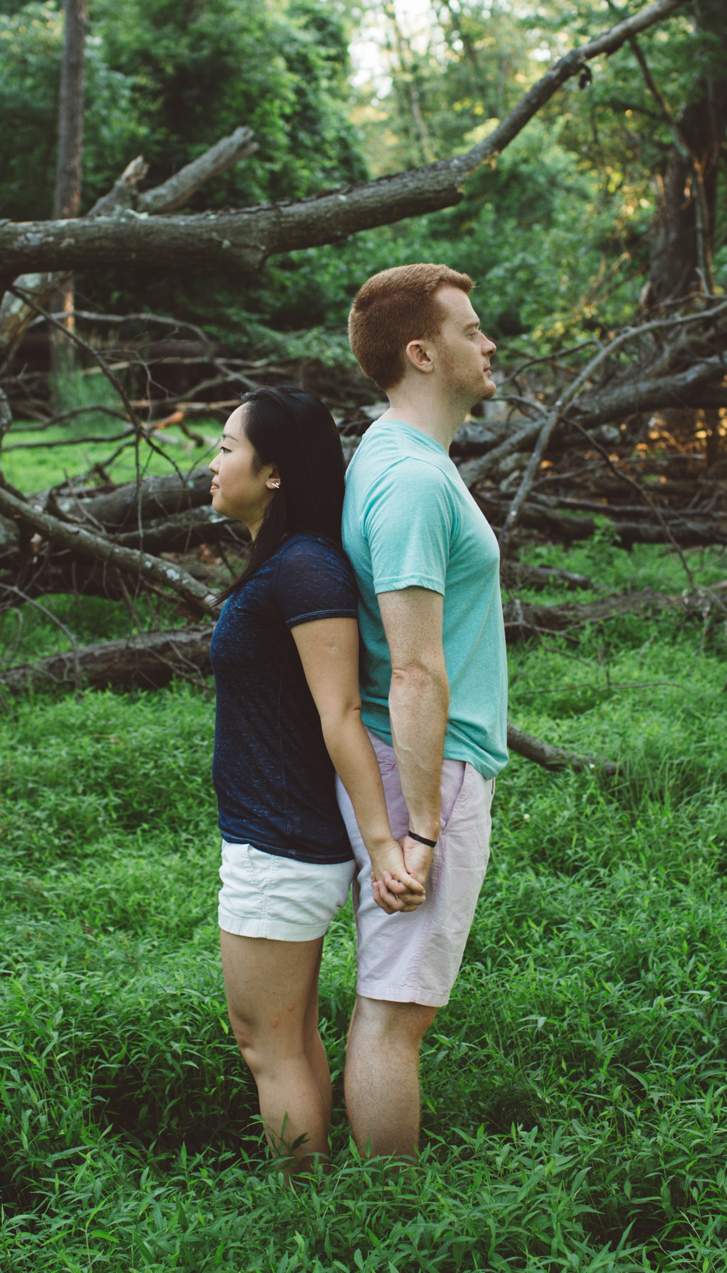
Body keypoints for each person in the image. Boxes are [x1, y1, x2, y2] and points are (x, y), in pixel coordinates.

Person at [206, 386, 426, 1172]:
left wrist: (384, 839)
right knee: (287, 1035)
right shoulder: (292, 562)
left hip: (283, 843)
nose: (214, 458)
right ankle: (322, 1197)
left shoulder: (304, 568)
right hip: (276, 836)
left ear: (273, 471)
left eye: (228, 444)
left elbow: (339, 713)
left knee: (266, 1042)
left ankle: (303, 1210)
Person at [337, 263, 507, 1158]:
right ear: (422, 352)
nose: (489, 344)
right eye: (471, 330)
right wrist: (426, 827)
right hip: (421, 769)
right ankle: (389, 1223)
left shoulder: (401, 456)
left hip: (421, 763)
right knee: (394, 1014)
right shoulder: (410, 480)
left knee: (394, 1005)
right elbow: (413, 668)